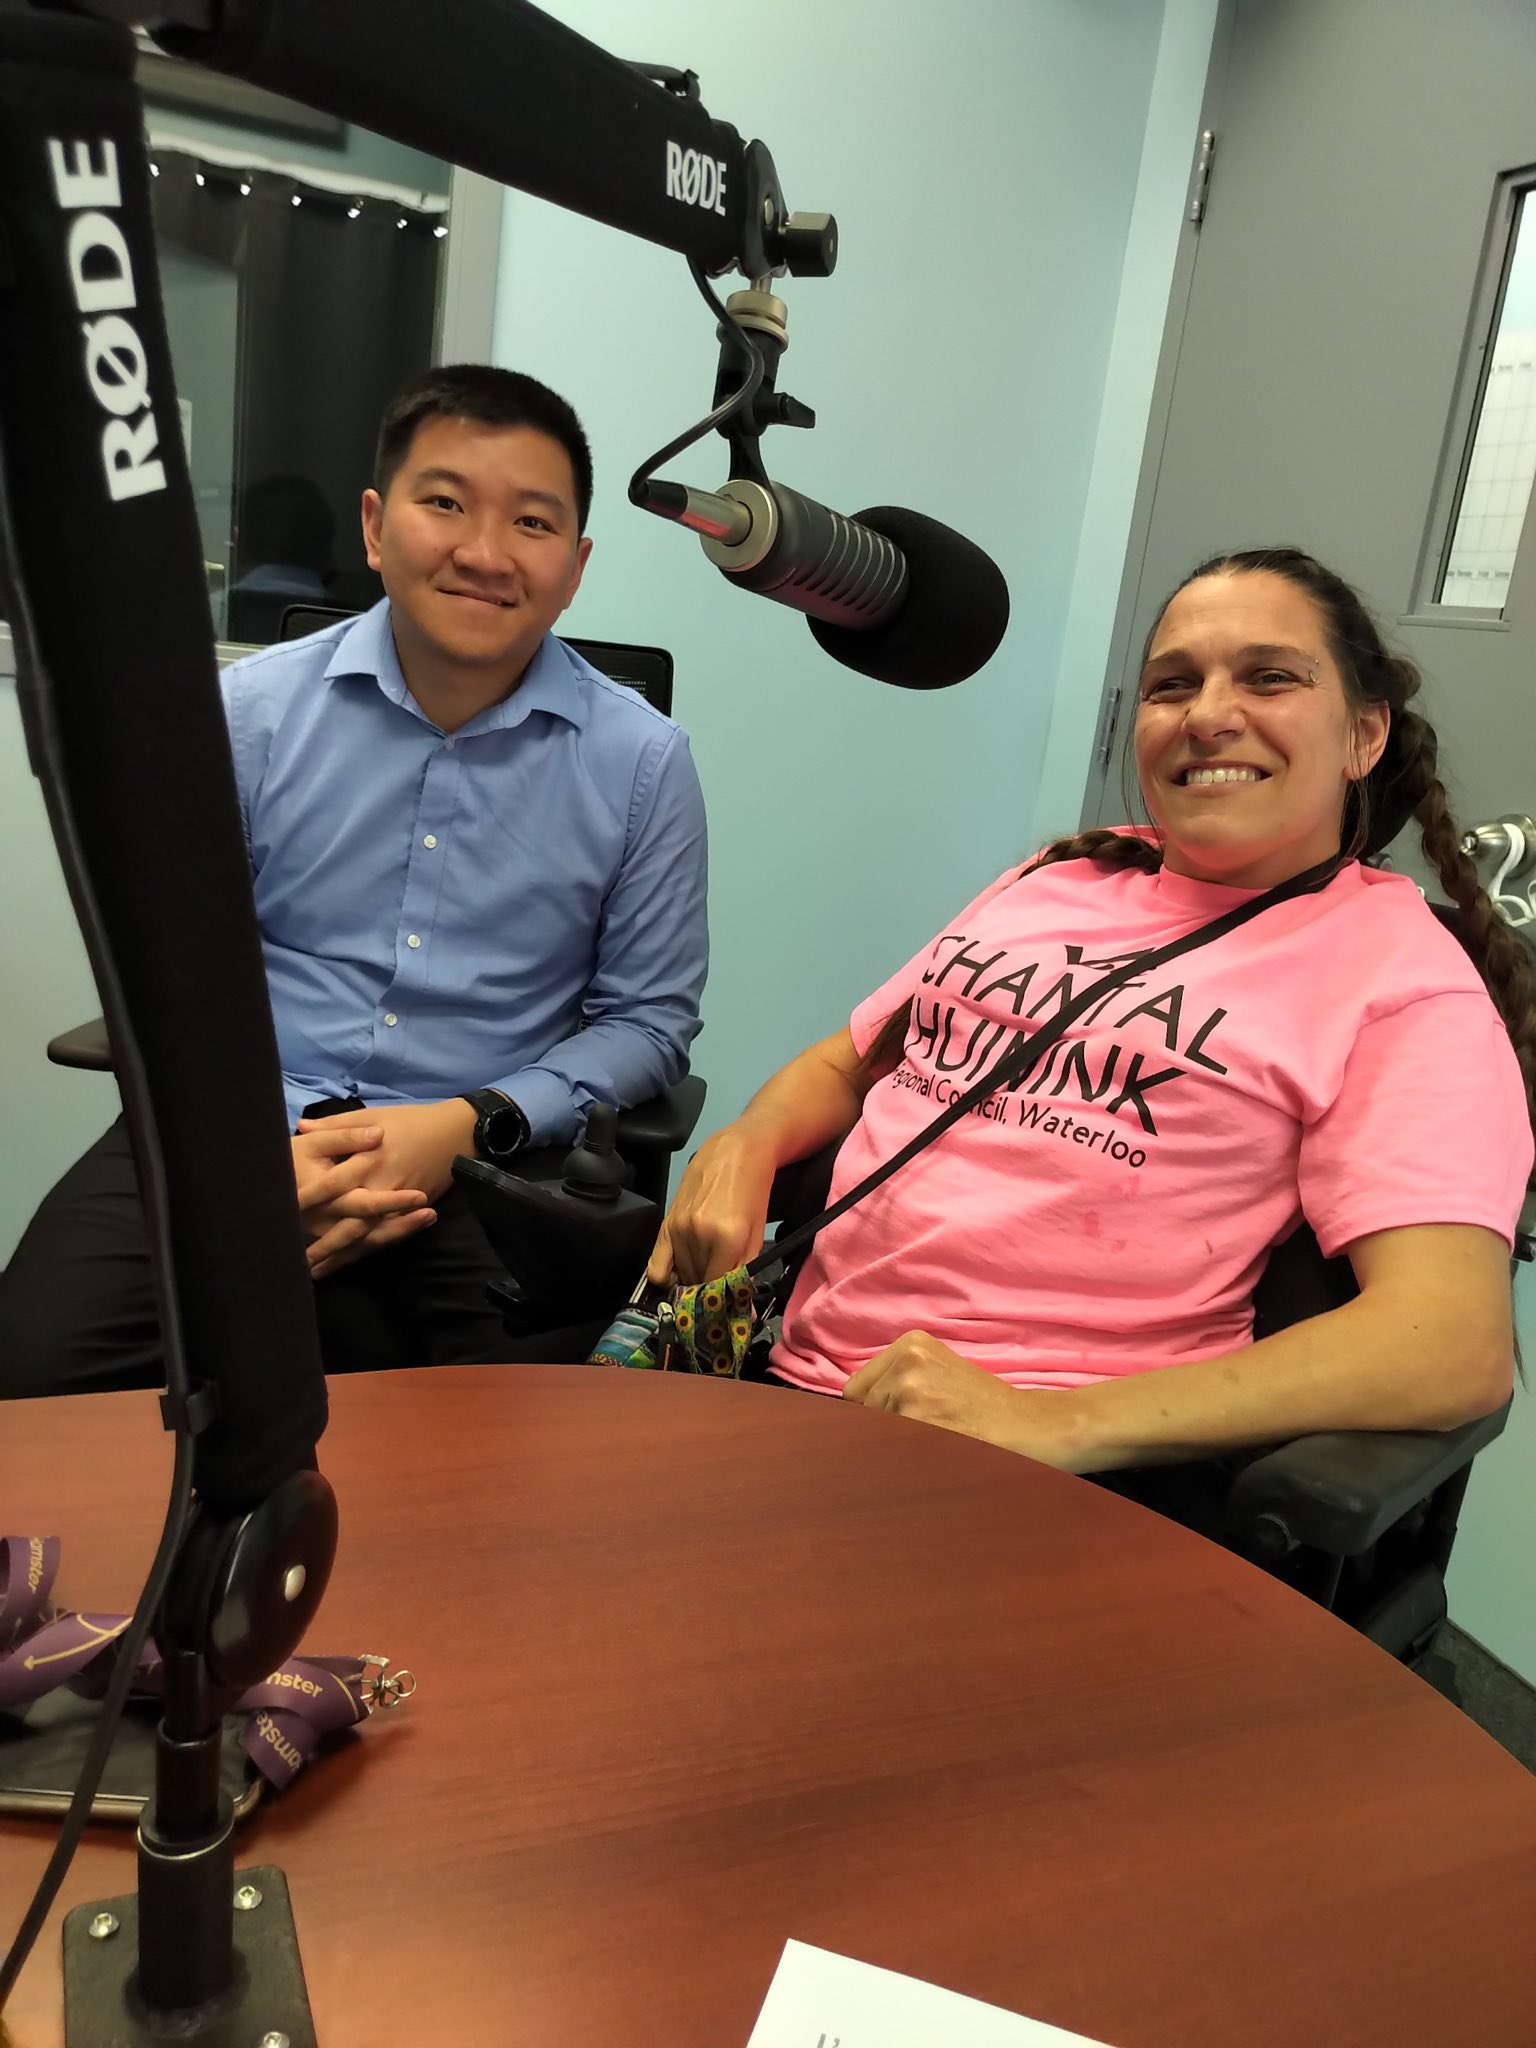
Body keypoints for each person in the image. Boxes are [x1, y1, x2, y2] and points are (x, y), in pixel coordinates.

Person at [651, 548, 1533, 1473]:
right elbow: (851, 1061)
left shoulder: (1399, 976)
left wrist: (1051, 1424)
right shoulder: (1062, 878)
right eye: (1172, 685)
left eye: (1270, 677)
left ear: (1364, 736)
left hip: (1045, 1468)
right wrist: (745, 1145)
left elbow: (1450, 1348)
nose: (1209, 716)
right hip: (800, 1390)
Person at [3, 365, 709, 1392]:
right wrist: (255, 1146)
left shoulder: (644, 762)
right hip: (239, 1131)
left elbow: (649, 1020)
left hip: (486, 1163)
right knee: (30, 1365)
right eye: (445, 503)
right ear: (376, 527)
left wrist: (468, 1123)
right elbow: (170, 971)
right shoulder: (245, 713)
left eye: (532, 522)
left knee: (547, 1448)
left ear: (575, 564)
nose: (483, 551)